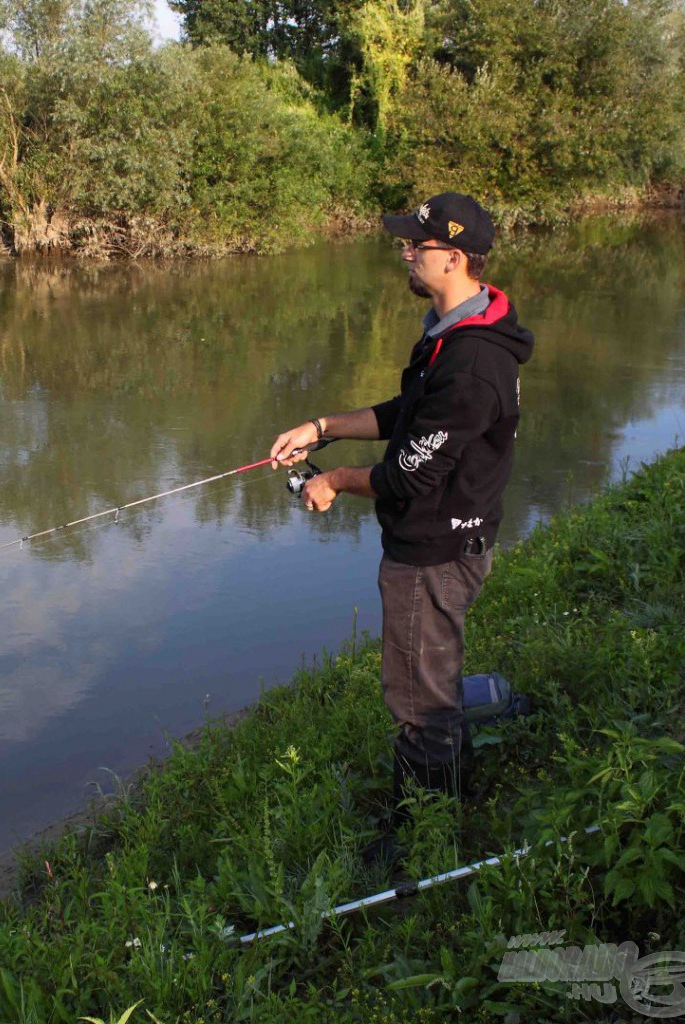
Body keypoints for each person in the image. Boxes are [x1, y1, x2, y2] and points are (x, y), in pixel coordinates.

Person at [270, 192, 534, 861]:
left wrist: (330, 481)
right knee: (433, 674)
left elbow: (403, 476)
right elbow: (406, 413)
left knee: (417, 696)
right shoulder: (453, 330)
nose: (405, 253)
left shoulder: (474, 362)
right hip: (445, 540)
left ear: (451, 256)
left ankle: (424, 832)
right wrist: (323, 429)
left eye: (414, 245)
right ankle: (454, 785)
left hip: (435, 551)